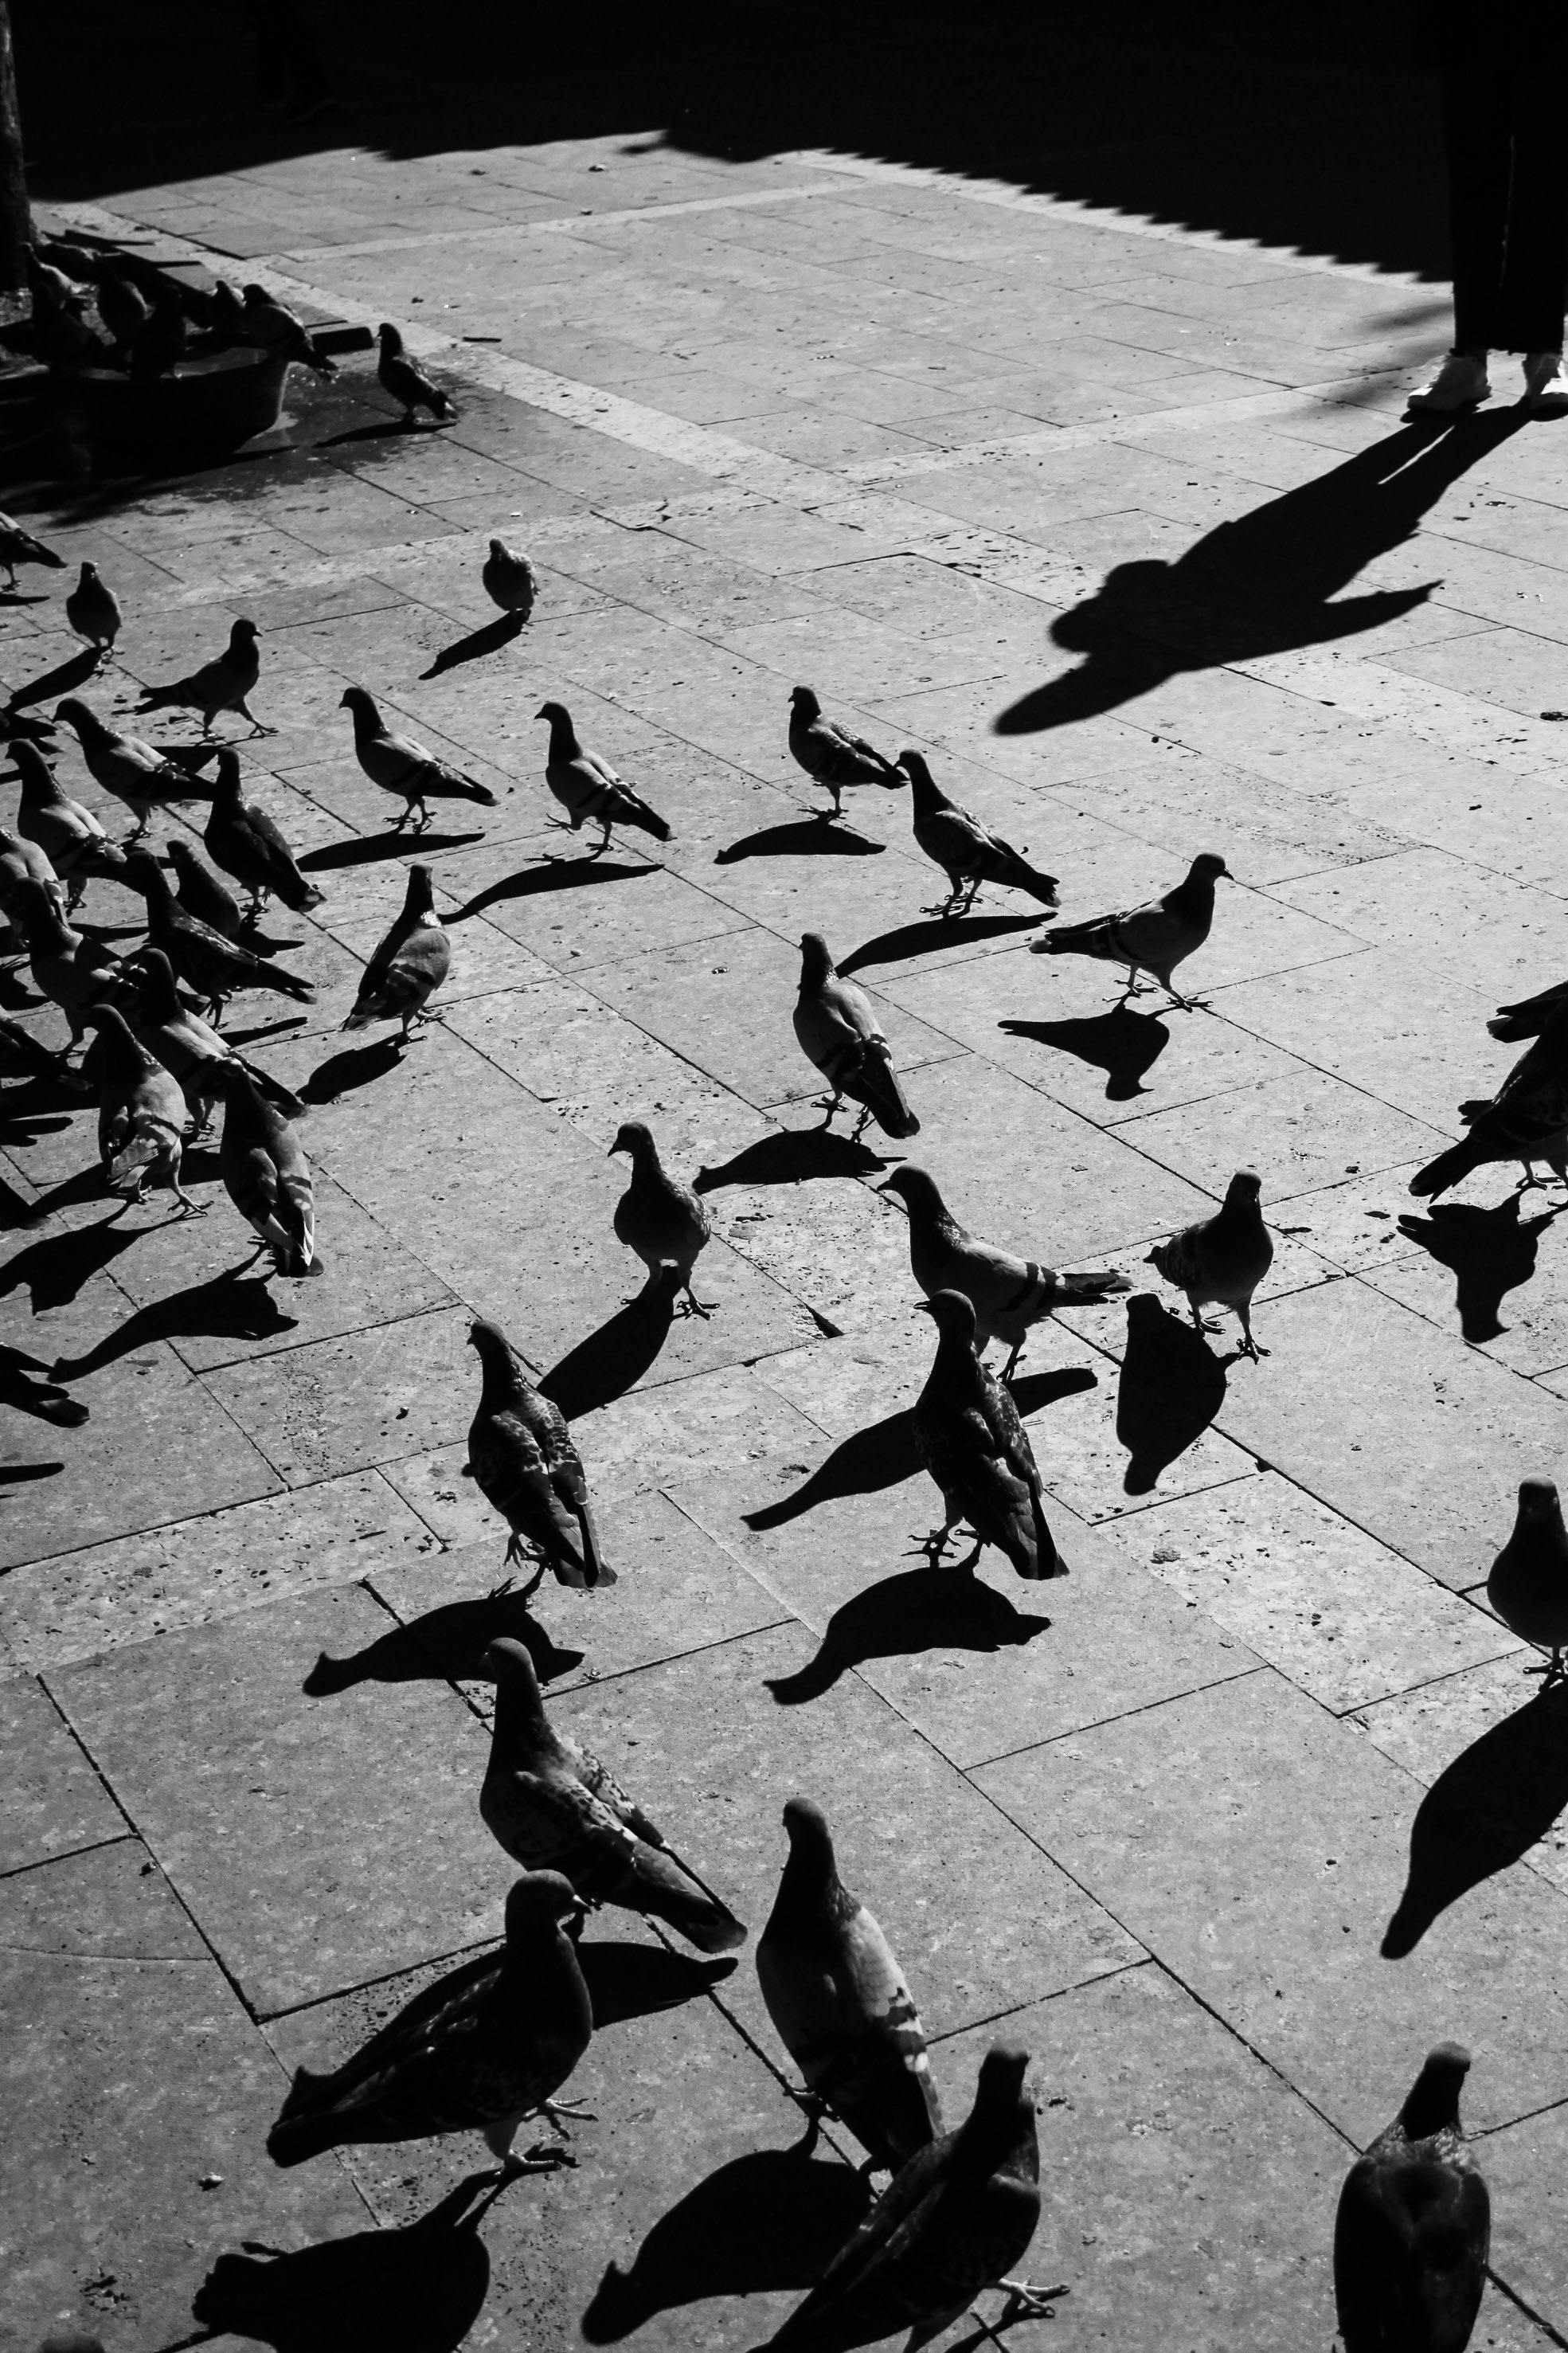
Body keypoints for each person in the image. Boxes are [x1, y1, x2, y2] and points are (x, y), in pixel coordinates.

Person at [1410, 1, 1568, 413]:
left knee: (1548, 193)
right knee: (1473, 193)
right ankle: (1470, 358)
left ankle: (1544, 351)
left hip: (1552, 25)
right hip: (1472, 25)